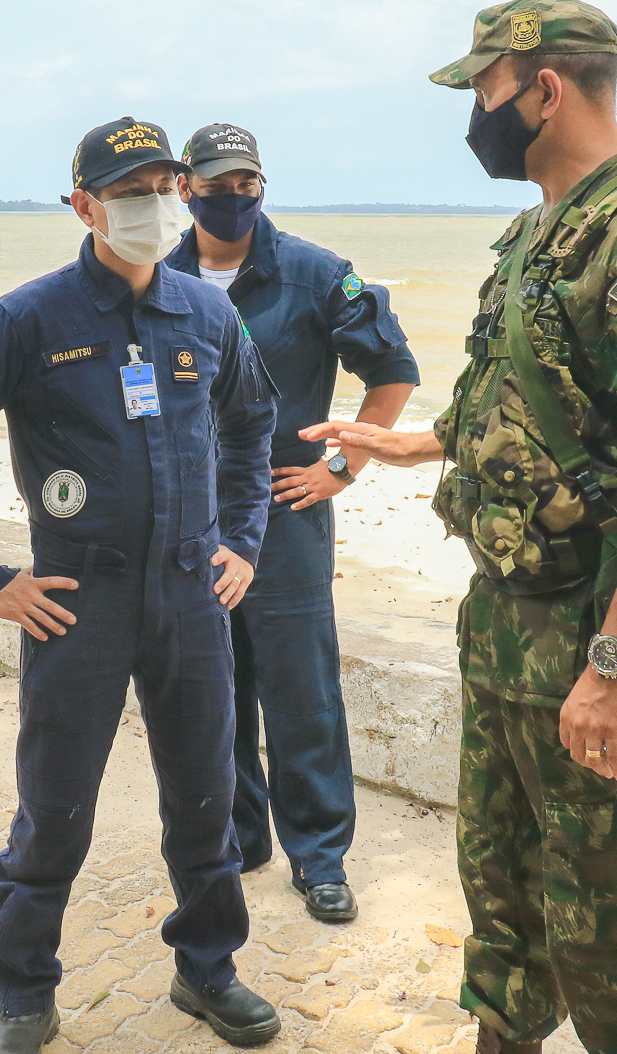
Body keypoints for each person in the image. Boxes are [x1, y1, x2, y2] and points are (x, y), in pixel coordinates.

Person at [303, 0, 617, 1054]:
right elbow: (527, 398)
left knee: (614, 938)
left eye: (483, 93)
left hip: (591, 635)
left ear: (543, 89)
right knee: (504, 903)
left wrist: (613, 668)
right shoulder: (537, 233)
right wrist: (413, 445)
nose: (476, 116)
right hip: (507, 628)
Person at [0, 117, 283, 1053]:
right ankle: (25, 992)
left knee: (205, 800)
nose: (155, 206)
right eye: (131, 192)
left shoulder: (207, 313)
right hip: (80, 605)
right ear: (84, 205)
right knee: (54, 808)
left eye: (165, 186)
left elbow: (253, 425)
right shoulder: (29, 318)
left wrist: (242, 540)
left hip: (194, 597)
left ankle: (208, 970)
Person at [160, 122, 419, 924]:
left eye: (247, 183)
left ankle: (321, 855)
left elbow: (393, 371)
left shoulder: (313, 275)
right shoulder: (155, 277)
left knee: (302, 692)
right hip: (191, 524)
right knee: (215, 687)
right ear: (184, 188)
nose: (232, 198)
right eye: (216, 184)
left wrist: (342, 468)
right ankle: (241, 835)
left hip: (285, 514)